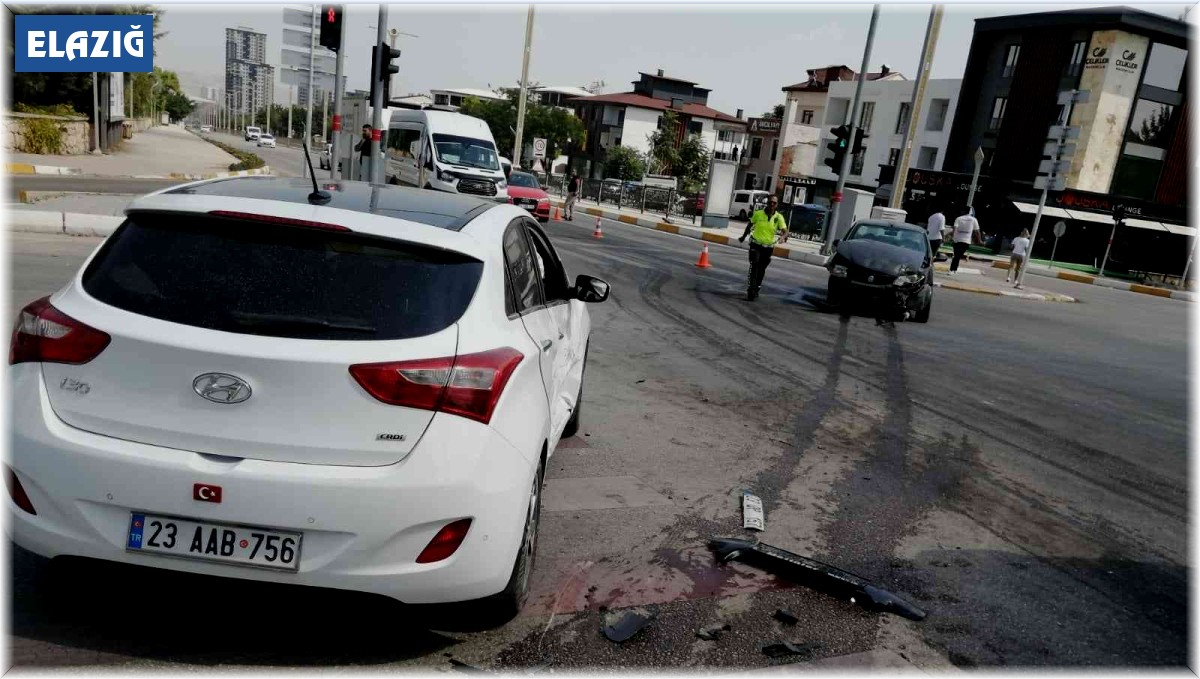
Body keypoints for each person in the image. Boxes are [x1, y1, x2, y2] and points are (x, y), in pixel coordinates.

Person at [738, 195, 788, 300]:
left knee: (762, 268)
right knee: (754, 265)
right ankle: (751, 289)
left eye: (774, 203)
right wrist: (743, 236)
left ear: (777, 204)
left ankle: (757, 288)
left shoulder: (778, 217)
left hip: (768, 247)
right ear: (767, 203)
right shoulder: (758, 214)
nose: (772, 204)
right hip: (755, 244)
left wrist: (783, 237)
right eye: (770, 202)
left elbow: (785, 231)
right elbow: (749, 225)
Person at [948, 206, 981, 275]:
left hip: (957, 239)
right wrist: (979, 240)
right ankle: (952, 269)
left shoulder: (958, 218)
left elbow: (955, 228)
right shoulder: (974, 219)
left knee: (957, 255)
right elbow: (977, 231)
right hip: (966, 240)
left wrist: (952, 237)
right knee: (958, 255)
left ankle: (953, 269)